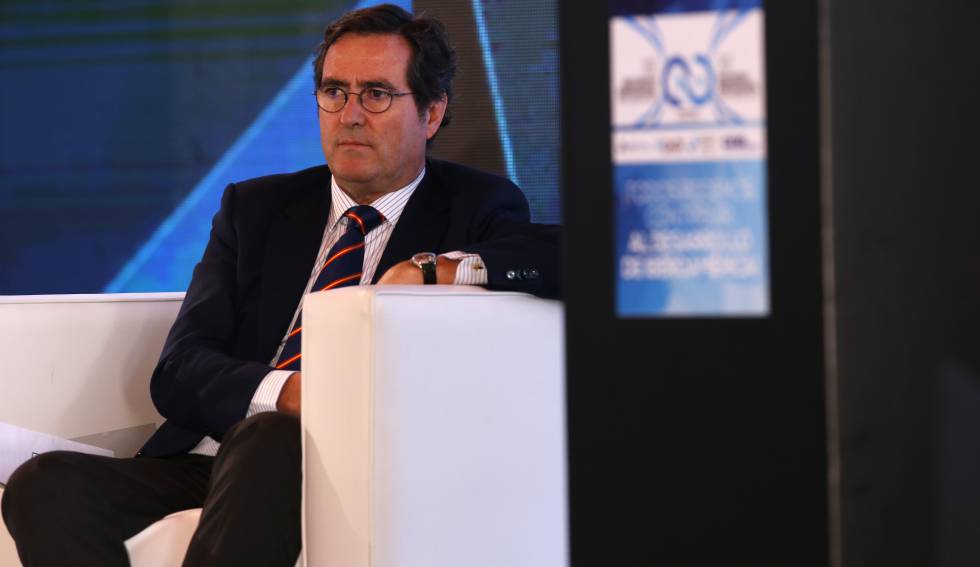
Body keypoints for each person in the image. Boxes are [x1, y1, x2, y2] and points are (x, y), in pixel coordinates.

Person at [0, 4, 559, 566]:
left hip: (337, 469)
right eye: (334, 92)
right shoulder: (256, 209)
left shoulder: (474, 204)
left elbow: (561, 257)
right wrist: (290, 393)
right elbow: (179, 370)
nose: (350, 115)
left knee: (268, 439)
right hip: (208, 458)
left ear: (432, 113)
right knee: (42, 484)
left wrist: (433, 268)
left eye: (376, 94)